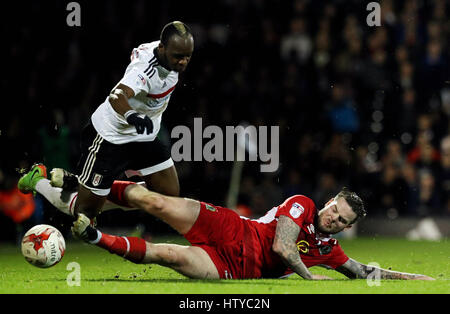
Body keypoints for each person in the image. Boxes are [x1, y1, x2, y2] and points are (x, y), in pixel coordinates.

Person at [18, 165, 434, 280]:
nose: (331, 218)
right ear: (327, 202)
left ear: (344, 227)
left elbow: (363, 272)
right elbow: (282, 248)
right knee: (154, 200)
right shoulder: (303, 204)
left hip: (233, 271)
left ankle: (92, 235)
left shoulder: (331, 249)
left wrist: (413, 278)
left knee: (166, 256)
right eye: (333, 209)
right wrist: (310, 278)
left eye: (339, 220)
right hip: (231, 228)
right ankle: (74, 182)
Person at [19, 21, 194, 222]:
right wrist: (132, 115)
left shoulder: (169, 50)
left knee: (168, 195)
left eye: (188, 56)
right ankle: (38, 181)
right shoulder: (145, 69)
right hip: (111, 137)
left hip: (143, 137)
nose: (183, 62)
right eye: (178, 56)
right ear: (162, 48)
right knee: (84, 213)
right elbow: (117, 95)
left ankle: (81, 184)